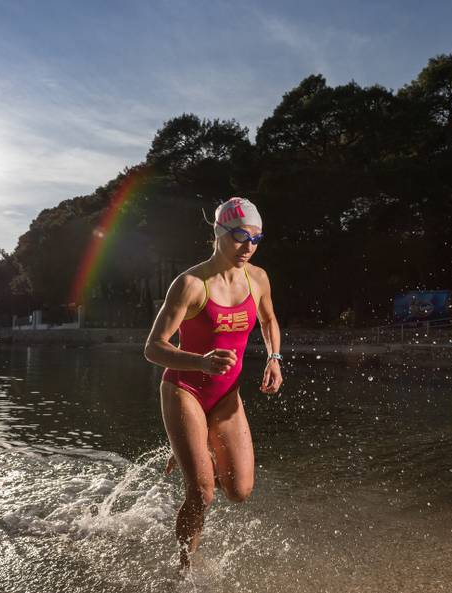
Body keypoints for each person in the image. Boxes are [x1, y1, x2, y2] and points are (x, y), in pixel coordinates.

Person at [143, 197, 283, 570]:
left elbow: (269, 320)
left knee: (239, 491)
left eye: (256, 238)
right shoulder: (190, 284)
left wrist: (274, 357)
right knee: (203, 491)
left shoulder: (258, 278)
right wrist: (200, 362)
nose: (248, 247)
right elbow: (153, 348)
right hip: (184, 389)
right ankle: (184, 567)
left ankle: (194, 444)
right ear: (219, 233)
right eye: (239, 236)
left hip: (226, 394)